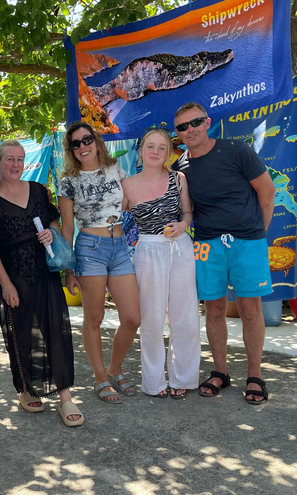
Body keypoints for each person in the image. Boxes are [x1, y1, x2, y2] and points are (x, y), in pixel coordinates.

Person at [171, 102, 276, 405]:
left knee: (250, 310)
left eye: (195, 122)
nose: (190, 130)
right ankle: (220, 372)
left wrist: (257, 234)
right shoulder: (180, 169)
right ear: (177, 133)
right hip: (207, 244)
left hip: (247, 242)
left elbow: (267, 192)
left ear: (208, 122)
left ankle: (255, 375)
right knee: (214, 310)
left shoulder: (236, 151)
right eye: (182, 127)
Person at [0, 140, 82, 426]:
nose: (15, 164)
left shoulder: (38, 190)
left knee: (56, 330)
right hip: (14, 276)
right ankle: (28, 389)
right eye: (9, 159)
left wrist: (51, 235)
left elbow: (54, 221)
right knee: (20, 334)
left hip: (45, 271)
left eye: (19, 159)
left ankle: (65, 398)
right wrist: (5, 283)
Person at [57, 121, 141, 404]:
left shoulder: (116, 168)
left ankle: (115, 368)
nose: (82, 146)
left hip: (119, 246)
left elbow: (129, 202)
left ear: (96, 140)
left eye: (86, 139)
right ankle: (100, 377)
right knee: (94, 318)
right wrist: (69, 269)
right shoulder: (68, 180)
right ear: (70, 150)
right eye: (75, 143)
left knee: (132, 318)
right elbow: (67, 228)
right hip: (90, 248)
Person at [121, 129, 200, 399]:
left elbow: (188, 212)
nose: (155, 151)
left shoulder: (179, 179)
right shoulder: (126, 185)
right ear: (141, 150)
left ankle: (184, 378)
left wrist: (183, 225)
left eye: (162, 147)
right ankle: (154, 382)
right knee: (152, 319)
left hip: (180, 248)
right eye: (150, 146)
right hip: (147, 250)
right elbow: (117, 224)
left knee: (185, 316)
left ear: (168, 152)